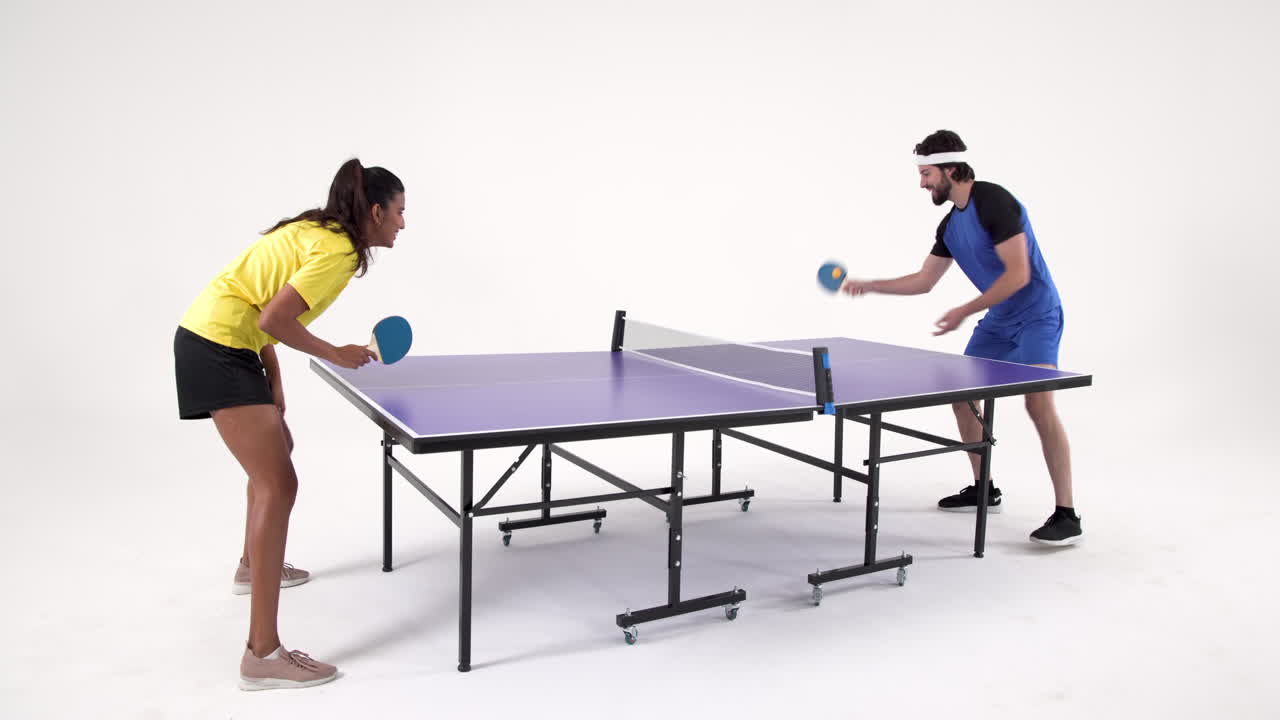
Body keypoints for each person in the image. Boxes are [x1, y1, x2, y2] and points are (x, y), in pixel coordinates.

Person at [174, 158, 405, 689]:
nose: (401, 223)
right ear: (374, 211)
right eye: (398, 212)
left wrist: (272, 375)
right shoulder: (340, 251)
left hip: (225, 341)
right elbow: (273, 318)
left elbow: (263, 303)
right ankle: (263, 654)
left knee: (280, 446)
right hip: (217, 346)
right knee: (279, 483)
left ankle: (252, 566)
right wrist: (335, 353)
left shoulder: (315, 231)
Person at [842, 130, 1081, 546]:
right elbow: (924, 280)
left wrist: (963, 312)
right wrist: (871, 284)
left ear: (951, 169)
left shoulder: (995, 202)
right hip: (999, 320)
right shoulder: (950, 225)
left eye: (927, 173)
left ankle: (1066, 513)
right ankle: (984, 488)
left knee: (1038, 402)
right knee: (963, 398)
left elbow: (1019, 274)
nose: (922, 183)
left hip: (1037, 315)